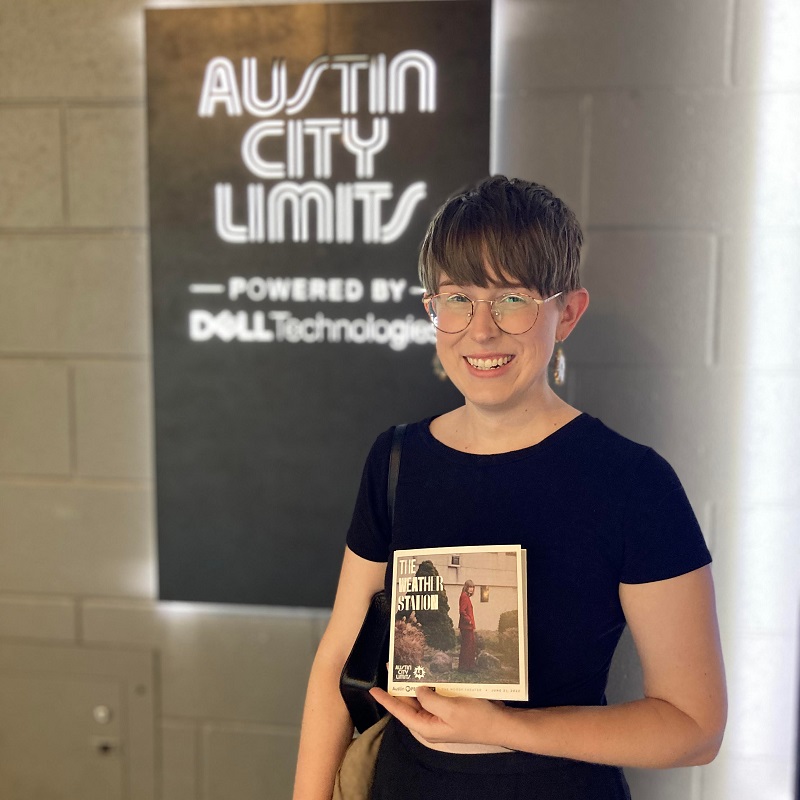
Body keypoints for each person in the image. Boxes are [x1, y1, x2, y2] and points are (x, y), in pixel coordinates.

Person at [293, 176, 726, 800]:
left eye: (513, 298)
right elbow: (338, 657)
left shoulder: (633, 482)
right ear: (430, 310)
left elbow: (693, 728)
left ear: (567, 312)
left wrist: (507, 726)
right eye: (457, 298)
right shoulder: (395, 462)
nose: (482, 330)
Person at [457, 579, 477, 672]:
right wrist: (469, 621)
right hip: (466, 626)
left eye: (472, 587)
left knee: (469, 647)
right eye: (470, 587)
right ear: (466, 587)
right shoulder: (464, 596)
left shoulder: (466, 596)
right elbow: (462, 611)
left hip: (468, 627)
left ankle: (468, 667)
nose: (471, 589)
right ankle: (465, 668)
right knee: (467, 647)